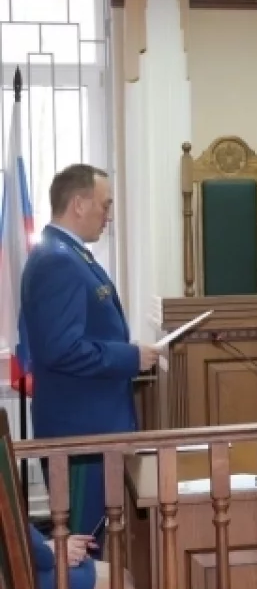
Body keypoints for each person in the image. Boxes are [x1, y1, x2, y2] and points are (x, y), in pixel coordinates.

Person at [22, 165, 159, 538]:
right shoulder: (57, 261)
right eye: (105, 205)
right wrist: (130, 357)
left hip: (92, 427)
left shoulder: (69, 254)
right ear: (79, 204)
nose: (108, 215)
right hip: (81, 435)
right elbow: (61, 349)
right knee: (83, 546)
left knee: (96, 543)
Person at [27, 523, 140, 589]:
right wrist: (53, 550)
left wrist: (49, 545)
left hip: (34, 558)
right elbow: (44, 558)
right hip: (28, 581)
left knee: (123, 575)